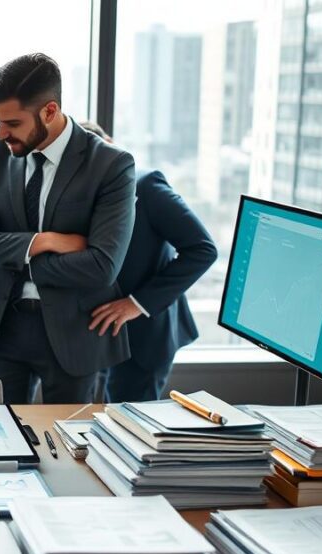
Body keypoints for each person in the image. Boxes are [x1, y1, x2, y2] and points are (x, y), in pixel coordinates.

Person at [0, 53, 136, 404]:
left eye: (12, 122)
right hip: (3, 329)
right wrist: (43, 242)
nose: (1, 133)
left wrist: (16, 261)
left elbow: (102, 267)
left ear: (49, 111)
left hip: (76, 333)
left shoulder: (110, 165)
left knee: (64, 438)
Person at [79, 121, 217, 402]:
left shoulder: (147, 185)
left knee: (128, 422)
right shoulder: (78, 194)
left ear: (111, 145)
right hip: (101, 333)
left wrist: (136, 304)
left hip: (143, 336)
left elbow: (203, 249)